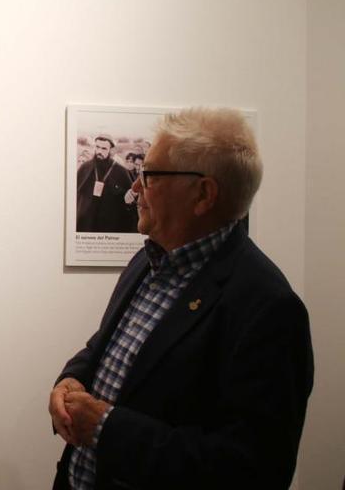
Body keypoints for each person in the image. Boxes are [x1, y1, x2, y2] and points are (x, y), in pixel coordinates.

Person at [49, 108, 313, 490]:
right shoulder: (148, 259)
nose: (136, 189)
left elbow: (253, 469)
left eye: (150, 176)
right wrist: (71, 379)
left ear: (203, 194)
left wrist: (107, 428)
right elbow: (105, 345)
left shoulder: (268, 308)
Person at [75, 135, 137, 233]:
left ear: (111, 151)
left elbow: (130, 202)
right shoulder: (84, 168)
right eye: (97, 147)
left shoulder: (121, 172)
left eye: (104, 148)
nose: (99, 151)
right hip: (86, 225)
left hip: (110, 226)